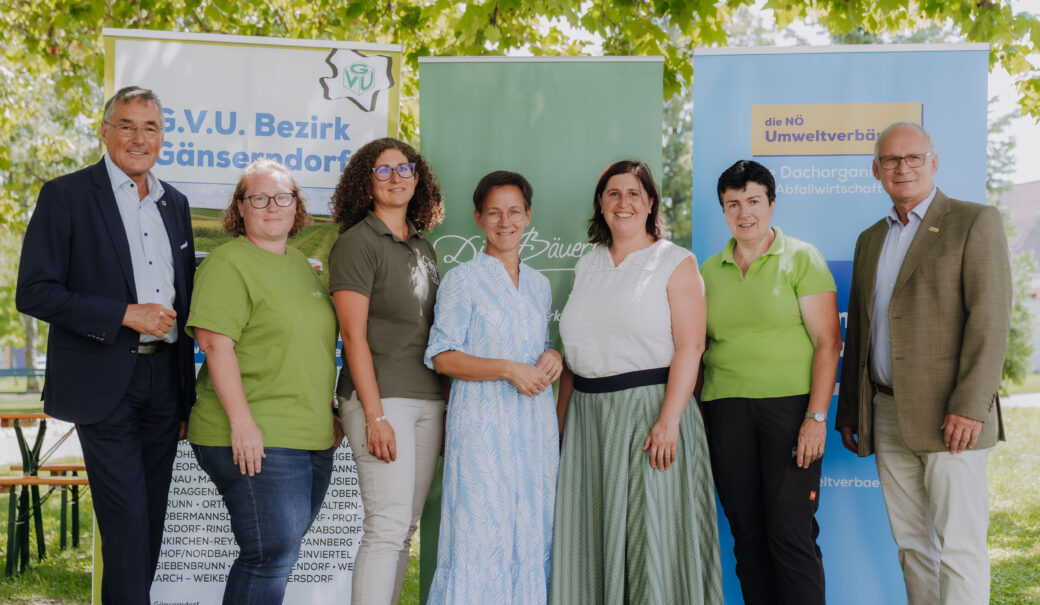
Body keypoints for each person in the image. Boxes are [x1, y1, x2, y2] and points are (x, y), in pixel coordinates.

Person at [16, 86, 195, 604]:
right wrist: (123, 314)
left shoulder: (175, 203)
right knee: (127, 523)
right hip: (103, 381)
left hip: (165, 382)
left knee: (149, 523)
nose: (139, 138)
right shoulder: (66, 195)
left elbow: (183, 289)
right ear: (104, 131)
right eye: (126, 125)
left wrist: (185, 395)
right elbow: (35, 291)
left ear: (162, 136)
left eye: (150, 127)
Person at [836, 121, 1012, 605]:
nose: (903, 168)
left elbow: (991, 320)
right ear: (876, 170)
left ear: (933, 163)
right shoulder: (870, 239)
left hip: (953, 418)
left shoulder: (974, 221)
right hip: (886, 413)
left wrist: (970, 408)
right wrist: (852, 410)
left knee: (960, 547)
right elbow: (861, 332)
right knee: (913, 547)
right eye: (891, 160)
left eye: (913, 157)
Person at [552, 160, 722, 604]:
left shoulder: (675, 261)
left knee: (651, 540)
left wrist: (669, 420)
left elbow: (691, 347)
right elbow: (573, 356)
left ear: (650, 204)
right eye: (613, 193)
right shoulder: (586, 266)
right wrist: (559, 425)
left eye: (633, 193)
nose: (622, 202)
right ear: (601, 204)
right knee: (592, 538)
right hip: (589, 420)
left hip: (652, 413)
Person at [185, 159, 339, 604]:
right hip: (254, 433)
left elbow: (305, 348)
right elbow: (215, 346)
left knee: (278, 555)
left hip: (310, 435)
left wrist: (329, 413)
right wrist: (242, 424)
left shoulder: (303, 265)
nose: (272, 206)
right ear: (240, 207)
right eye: (259, 198)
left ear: (297, 207)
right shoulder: (228, 262)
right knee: (269, 556)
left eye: (283, 197)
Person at [699, 159, 841, 605]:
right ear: (724, 210)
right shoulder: (707, 271)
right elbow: (696, 347)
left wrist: (816, 418)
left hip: (791, 409)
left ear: (772, 204)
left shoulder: (802, 258)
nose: (745, 213)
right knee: (747, 537)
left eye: (754, 201)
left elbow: (829, 343)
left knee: (791, 532)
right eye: (733, 204)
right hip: (725, 410)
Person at [424, 171, 562, 604]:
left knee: (530, 531)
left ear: (528, 216)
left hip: (533, 428)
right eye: (495, 213)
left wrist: (553, 357)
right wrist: (506, 369)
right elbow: (442, 357)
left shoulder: (539, 284)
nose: (506, 222)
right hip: (481, 426)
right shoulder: (462, 279)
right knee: (480, 535)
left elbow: (538, 344)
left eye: (515, 212)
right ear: (479, 218)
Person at [329, 137, 446, 605]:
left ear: (418, 179)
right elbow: (352, 335)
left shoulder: (423, 247)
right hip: (381, 400)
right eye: (383, 170)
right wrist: (374, 415)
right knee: (386, 528)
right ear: (366, 181)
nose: (395, 178)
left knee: (404, 527)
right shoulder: (357, 243)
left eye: (404, 169)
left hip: (428, 398)